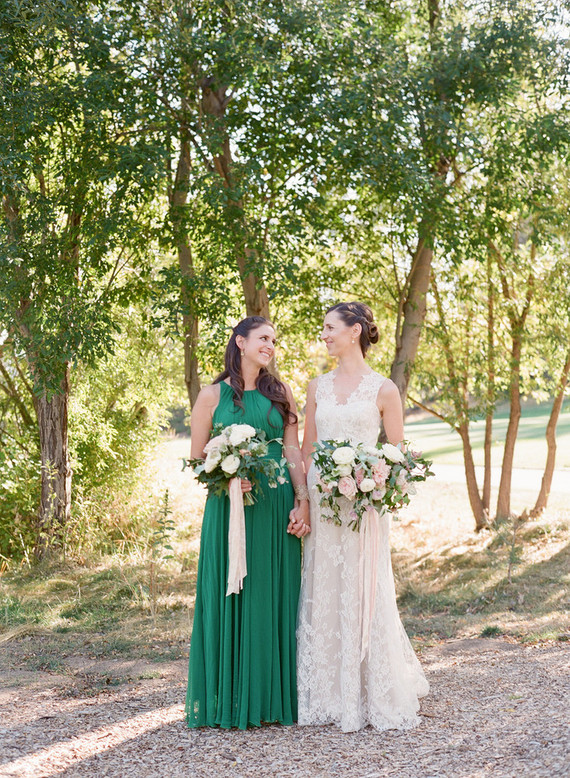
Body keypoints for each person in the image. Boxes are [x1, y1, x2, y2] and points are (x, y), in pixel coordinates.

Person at [296, 301, 429, 732]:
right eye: (323, 328)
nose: (324, 335)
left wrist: (373, 482)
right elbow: (307, 448)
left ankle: (370, 690)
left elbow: (398, 456)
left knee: (364, 586)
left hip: (364, 507)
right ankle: (328, 694)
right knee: (324, 585)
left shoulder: (384, 390)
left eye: (330, 327)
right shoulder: (317, 386)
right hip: (323, 503)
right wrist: (305, 498)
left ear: (354, 331)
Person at [185, 316, 310, 730]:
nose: (270, 345)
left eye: (274, 340)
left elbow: (292, 450)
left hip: (275, 506)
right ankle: (231, 699)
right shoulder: (211, 395)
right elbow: (196, 458)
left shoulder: (281, 393)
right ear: (240, 342)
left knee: (272, 595)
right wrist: (225, 476)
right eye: (263, 338)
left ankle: (272, 699)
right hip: (229, 508)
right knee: (232, 595)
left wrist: (302, 500)